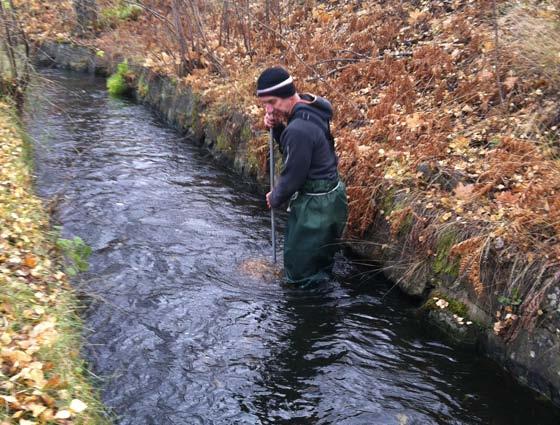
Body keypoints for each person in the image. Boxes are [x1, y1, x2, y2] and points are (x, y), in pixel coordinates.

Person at [256, 66, 348, 286]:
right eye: (265, 104)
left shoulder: (299, 129)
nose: (269, 110)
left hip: (315, 209)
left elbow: (294, 175)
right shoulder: (312, 106)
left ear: (287, 95)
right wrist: (277, 127)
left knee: (300, 274)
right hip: (333, 198)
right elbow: (298, 150)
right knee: (319, 265)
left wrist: (275, 197)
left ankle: (306, 315)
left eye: (273, 102)